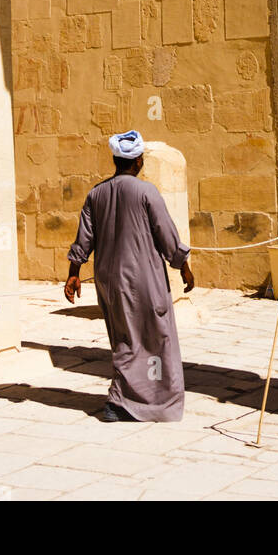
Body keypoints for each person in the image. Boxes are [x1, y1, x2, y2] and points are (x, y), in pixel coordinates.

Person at [65, 130, 195, 422]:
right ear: (137, 162)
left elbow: (83, 241)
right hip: (144, 279)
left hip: (110, 282)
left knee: (124, 339)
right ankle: (155, 403)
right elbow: (167, 236)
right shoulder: (146, 192)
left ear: (115, 160)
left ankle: (119, 402)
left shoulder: (96, 194)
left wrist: (74, 274)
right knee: (155, 338)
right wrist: (183, 265)